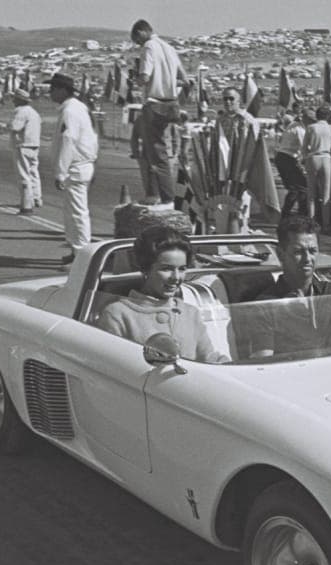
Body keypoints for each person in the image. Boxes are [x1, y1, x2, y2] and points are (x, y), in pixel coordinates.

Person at [96, 226, 229, 364]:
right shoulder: (117, 314)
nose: (176, 277)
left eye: (182, 269)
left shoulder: (190, 313)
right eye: (166, 269)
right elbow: (109, 369)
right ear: (146, 268)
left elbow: (209, 360)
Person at [246, 216, 331, 358]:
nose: (307, 259)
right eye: (298, 252)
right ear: (281, 254)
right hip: (292, 374)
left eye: (312, 251)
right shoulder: (265, 306)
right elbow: (263, 360)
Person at [131, 19, 190, 205]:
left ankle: (166, 199)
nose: (137, 44)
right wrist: (169, 83)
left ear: (141, 33)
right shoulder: (169, 48)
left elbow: (145, 76)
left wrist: (135, 79)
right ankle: (163, 195)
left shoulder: (149, 47)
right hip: (172, 104)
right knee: (161, 152)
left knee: (157, 157)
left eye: (136, 40)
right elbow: (184, 78)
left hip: (155, 104)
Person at [49, 72, 99, 266]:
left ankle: (81, 254)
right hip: (79, 165)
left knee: (78, 212)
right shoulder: (76, 108)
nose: (51, 93)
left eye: (53, 89)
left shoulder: (70, 110)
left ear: (63, 90)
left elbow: (68, 140)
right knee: (71, 211)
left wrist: (60, 172)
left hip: (75, 167)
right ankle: (75, 248)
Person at [217, 87, 261, 228]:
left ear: (239, 100)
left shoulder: (247, 120)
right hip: (224, 166)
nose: (228, 102)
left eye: (231, 98)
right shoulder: (220, 120)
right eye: (225, 99)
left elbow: (255, 144)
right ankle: (227, 226)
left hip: (242, 165)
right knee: (225, 198)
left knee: (242, 198)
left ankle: (243, 226)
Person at [301, 105, 331, 229]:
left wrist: (305, 158)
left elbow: (304, 147)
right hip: (326, 157)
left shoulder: (311, 127)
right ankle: (326, 224)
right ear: (328, 116)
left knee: (312, 194)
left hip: (313, 157)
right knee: (325, 194)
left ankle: (311, 221)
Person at [8, 88, 42, 214]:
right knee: (33, 172)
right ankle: (36, 198)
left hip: (22, 144)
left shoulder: (21, 112)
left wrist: (4, 126)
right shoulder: (34, 112)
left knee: (23, 174)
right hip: (34, 144)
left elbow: (15, 127)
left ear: (18, 100)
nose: (13, 101)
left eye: (14, 98)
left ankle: (27, 202)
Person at [275, 104, 309, 217]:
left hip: (282, 157)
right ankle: (301, 214)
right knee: (301, 187)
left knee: (294, 188)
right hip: (287, 158)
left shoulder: (292, 125)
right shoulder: (300, 129)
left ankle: (287, 213)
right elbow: (305, 148)